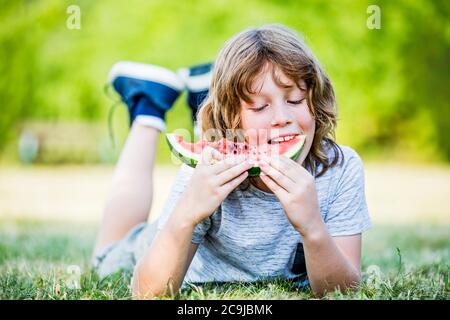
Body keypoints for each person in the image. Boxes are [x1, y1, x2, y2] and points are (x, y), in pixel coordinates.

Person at [92, 24, 372, 299]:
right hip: (160, 244)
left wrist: (312, 227)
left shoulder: (340, 168)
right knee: (106, 256)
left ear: (316, 102)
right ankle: (148, 107)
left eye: (296, 100)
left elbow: (343, 291)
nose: (282, 117)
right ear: (231, 119)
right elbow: (147, 292)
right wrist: (187, 212)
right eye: (260, 106)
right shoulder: (205, 171)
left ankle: (202, 98)